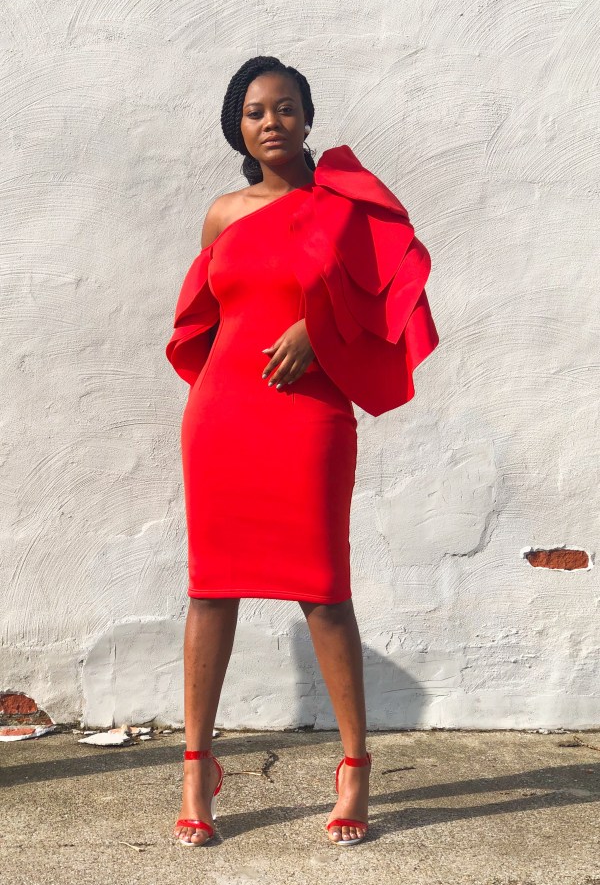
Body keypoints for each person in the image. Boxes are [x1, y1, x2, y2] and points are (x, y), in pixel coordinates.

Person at [165, 55, 439, 848]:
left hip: (311, 417)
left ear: (308, 118)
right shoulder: (222, 214)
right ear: (238, 128)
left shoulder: (345, 205)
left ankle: (355, 766)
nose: (271, 121)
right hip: (223, 417)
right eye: (255, 111)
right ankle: (197, 769)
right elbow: (208, 316)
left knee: (323, 591)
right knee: (211, 590)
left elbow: (393, 294)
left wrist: (320, 333)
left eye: (285, 107)